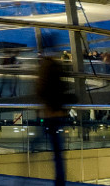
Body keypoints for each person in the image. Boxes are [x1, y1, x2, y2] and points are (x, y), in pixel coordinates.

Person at [35, 56, 69, 186]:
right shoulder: (56, 68)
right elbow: (62, 88)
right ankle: (60, 181)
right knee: (58, 153)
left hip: (49, 114)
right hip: (57, 114)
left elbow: (40, 91)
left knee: (41, 144)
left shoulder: (44, 70)